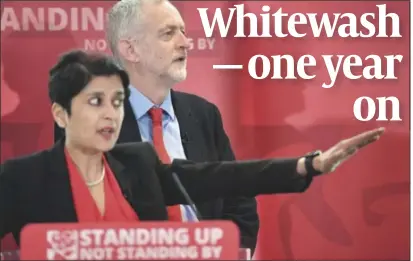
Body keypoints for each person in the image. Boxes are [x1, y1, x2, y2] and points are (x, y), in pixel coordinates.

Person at [1, 49, 384, 246]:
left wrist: (310, 165)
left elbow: (218, 177)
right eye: (95, 101)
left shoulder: (137, 162)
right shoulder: (21, 178)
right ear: (61, 113)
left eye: (118, 102)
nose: (111, 116)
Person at [54, 0, 262, 251]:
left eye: (183, 32)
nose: (185, 42)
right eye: (168, 33)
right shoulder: (87, 121)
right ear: (131, 50)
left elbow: (239, 203)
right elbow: (74, 215)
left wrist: (225, 253)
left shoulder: (203, 114)